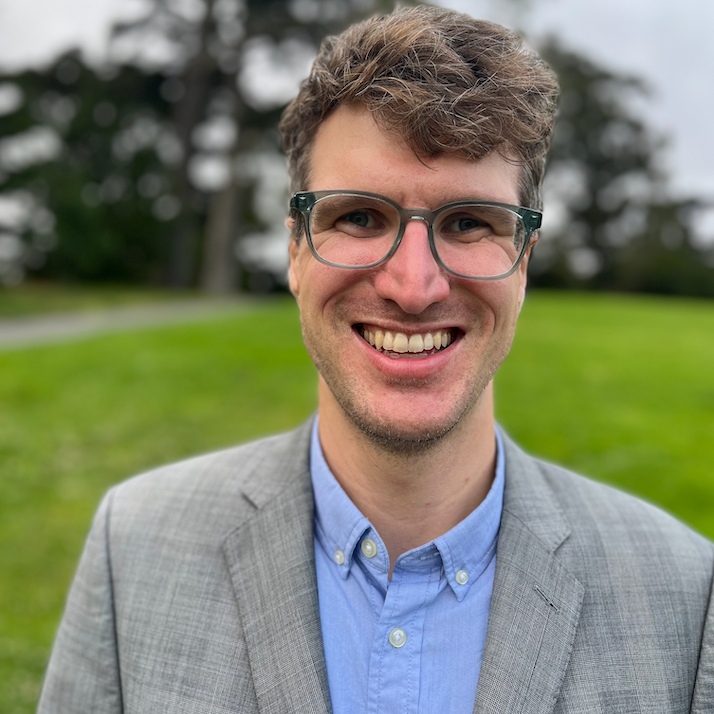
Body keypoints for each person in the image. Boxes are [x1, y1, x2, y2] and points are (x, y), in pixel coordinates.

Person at [38, 6, 713, 713]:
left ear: (523, 263)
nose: (413, 287)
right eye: (359, 217)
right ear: (295, 250)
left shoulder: (686, 596)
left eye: (469, 223)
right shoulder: (133, 547)